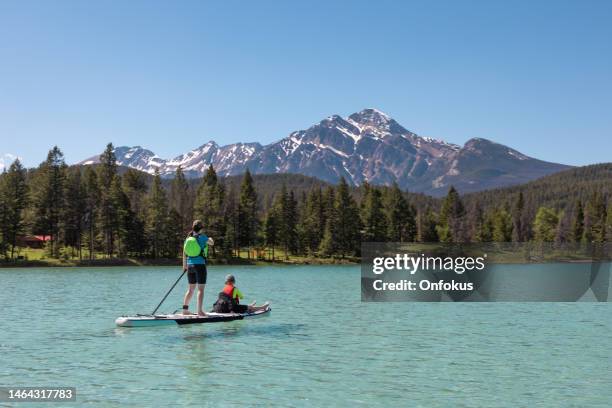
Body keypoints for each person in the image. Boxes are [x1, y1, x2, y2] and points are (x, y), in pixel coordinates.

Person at [182, 220, 214, 316]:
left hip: (190, 266)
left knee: (190, 290)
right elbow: (212, 243)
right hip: (200, 265)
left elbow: (184, 253)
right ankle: (200, 311)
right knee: (200, 290)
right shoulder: (202, 237)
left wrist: (184, 266)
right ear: (201, 229)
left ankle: (185, 310)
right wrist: (210, 238)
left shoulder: (188, 239)